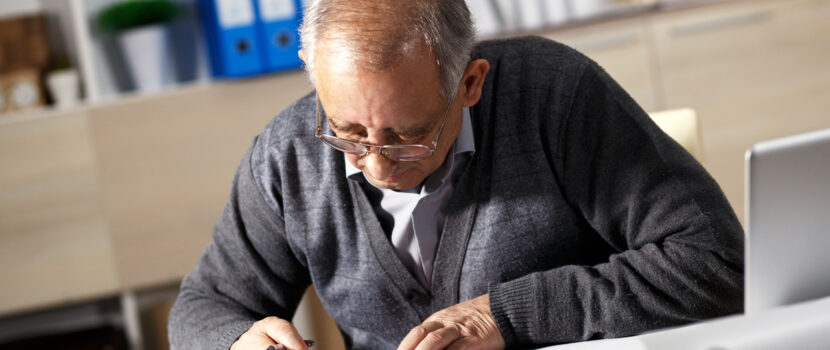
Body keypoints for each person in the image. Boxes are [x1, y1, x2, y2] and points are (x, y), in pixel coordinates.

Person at [168, 0, 744, 349]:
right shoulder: (287, 156)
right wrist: (236, 340)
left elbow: (716, 262)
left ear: (469, 84)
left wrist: (507, 315)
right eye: (346, 132)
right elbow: (202, 308)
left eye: (406, 136)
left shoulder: (556, 96)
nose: (374, 163)